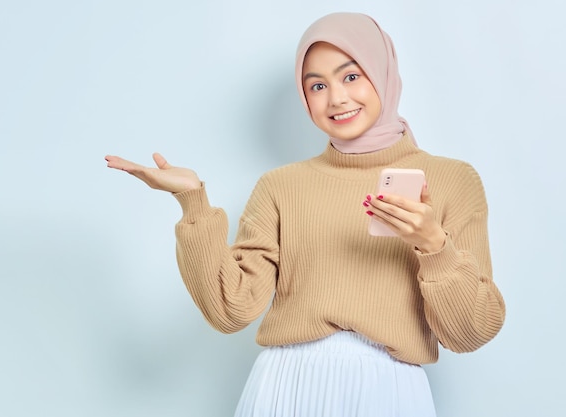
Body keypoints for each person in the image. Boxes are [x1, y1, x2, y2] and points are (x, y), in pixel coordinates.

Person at [105, 12, 505, 417]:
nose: (337, 99)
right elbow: (231, 309)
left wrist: (434, 246)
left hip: (391, 389)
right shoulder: (281, 186)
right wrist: (193, 202)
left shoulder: (453, 180)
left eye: (351, 76)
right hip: (285, 385)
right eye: (317, 85)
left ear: (383, 72)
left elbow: (470, 332)